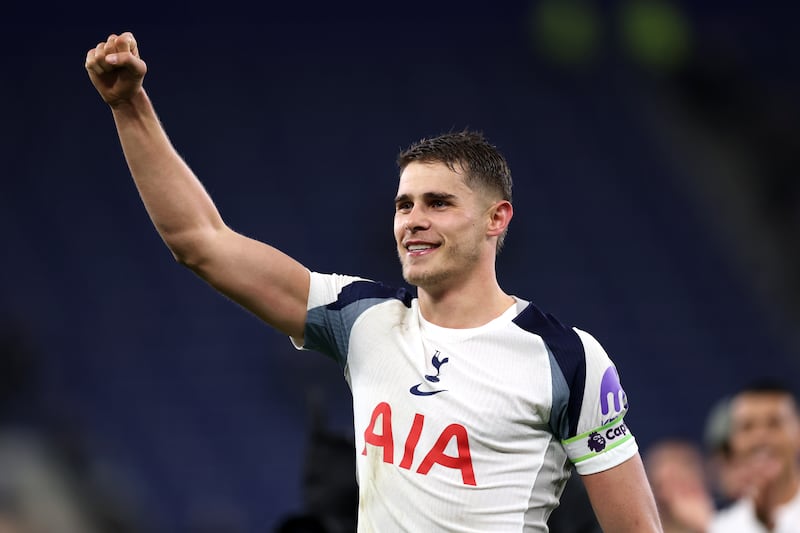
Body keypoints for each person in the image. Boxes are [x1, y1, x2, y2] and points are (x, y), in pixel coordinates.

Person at [84, 31, 663, 532]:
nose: (413, 219)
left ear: (497, 218)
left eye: (438, 203)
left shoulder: (567, 358)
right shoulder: (361, 318)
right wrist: (129, 107)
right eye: (404, 204)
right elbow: (201, 242)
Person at [708, 381, 800, 533]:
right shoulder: (721, 527)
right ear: (733, 441)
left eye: (774, 424)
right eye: (747, 427)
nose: (760, 437)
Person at [643, 438, 715, 533]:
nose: (667, 494)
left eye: (681, 482)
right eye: (662, 485)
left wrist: (703, 527)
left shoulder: (732, 522)